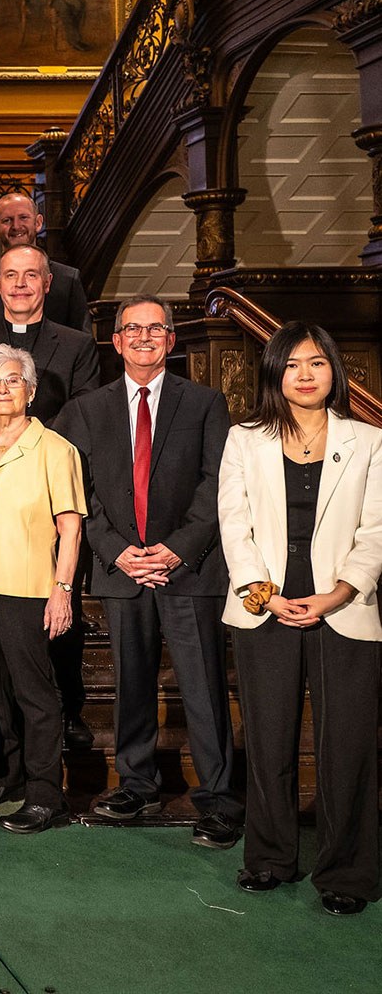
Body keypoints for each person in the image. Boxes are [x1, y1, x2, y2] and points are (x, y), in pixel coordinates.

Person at [57, 296, 240, 848]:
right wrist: (117, 551)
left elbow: (218, 484)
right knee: (131, 681)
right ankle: (136, 783)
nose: (143, 337)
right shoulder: (88, 409)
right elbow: (77, 492)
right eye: (131, 329)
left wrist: (176, 549)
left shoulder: (206, 403)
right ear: (114, 341)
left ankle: (219, 799)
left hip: (189, 569)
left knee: (203, 687)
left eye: (154, 328)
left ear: (171, 339)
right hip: (121, 570)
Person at [218, 323, 382, 916]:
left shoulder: (368, 442)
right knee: (268, 740)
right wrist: (265, 594)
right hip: (265, 609)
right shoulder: (245, 439)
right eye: (293, 364)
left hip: (346, 610)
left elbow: (375, 530)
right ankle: (268, 858)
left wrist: (336, 593)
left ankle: (347, 872)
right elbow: (233, 524)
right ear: (274, 373)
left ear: (335, 370)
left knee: (348, 744)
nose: (306, 374)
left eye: (317, 363)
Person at [0, 344, 86, 834]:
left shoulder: (56, 449)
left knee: (35, 692)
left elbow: (70, 529)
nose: (2, 388)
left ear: (30, 390)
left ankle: (46, 794)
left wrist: (63, 589)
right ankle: (8, 776)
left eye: (12, 380)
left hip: (29, 588)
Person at [0, 244, 99, 433]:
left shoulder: (78, 346)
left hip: (53, 453)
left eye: (31, 275)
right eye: (11, 275)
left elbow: (81, 410)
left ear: (47, 283)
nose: (20, 283)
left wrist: (34, 442)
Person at [0, 193, 92, 333]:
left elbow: (83, 342)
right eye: (7, 220)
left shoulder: (68, 279)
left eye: (23, 218)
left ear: (38, 223)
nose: (16, 226)